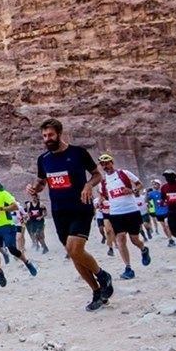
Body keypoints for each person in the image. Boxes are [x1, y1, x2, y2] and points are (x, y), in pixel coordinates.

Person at [25, 118, 113, 311]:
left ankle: (102, 274)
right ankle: (97, 291)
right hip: (59, 211)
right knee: (74, 254)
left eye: (50, 135)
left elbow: (96, 174)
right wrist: (34, 189)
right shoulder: (44, 159)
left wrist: (89, 185)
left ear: (59, 133)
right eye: (44, 136)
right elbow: (42, 182)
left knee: (75, 248)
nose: (47, 139)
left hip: (81, 207)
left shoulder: (78, 153)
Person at [96, 154, 151, 280]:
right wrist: (100, 202)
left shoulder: (124, 174)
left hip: (131, 210)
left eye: (107, 163)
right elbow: (103, 195)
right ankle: (128, 268)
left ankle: (143, 249)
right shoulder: (103, 182)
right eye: (103, 164)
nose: (105, 166)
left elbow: (139, 185)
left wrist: (132, 190)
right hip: (115, 213)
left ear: (112, 163)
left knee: (134, 239)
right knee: (120, 239)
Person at [0, 177, 37, 282]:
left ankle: (27, 262)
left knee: (12, 248)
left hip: (7, 225)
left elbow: (15, 207)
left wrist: (1, 208)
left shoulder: (4, 194)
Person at [146, 180, 175, 247]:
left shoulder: (164, 191)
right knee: (164, 227)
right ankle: (170, 239)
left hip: (167, 211)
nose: (154, 186)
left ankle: (172, 237)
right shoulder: (152, 193)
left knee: (167, 225)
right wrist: (146, 194)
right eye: (153, 184)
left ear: (159, 184)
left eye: (156, 184)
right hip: (159, 212)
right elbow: (146, 200)